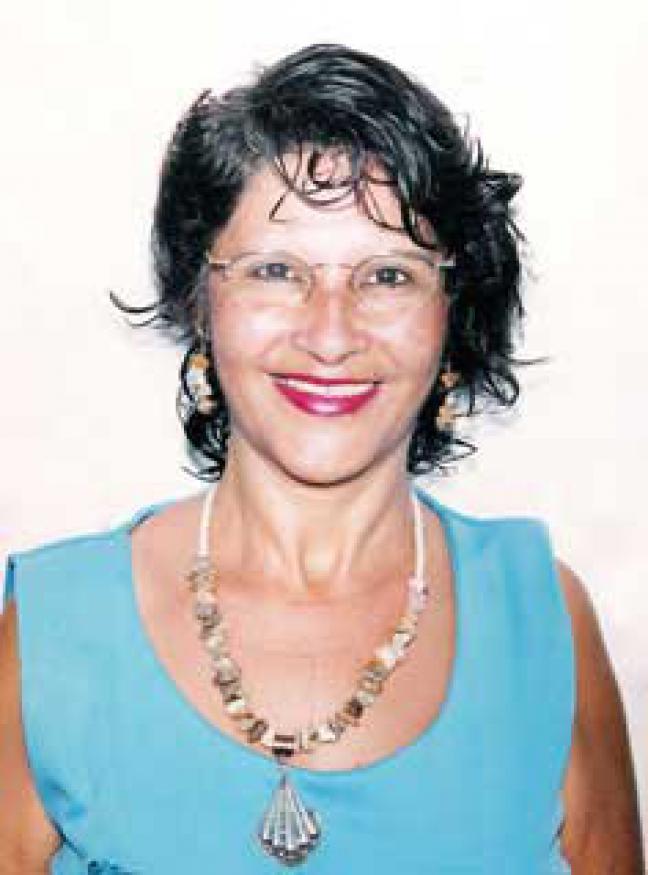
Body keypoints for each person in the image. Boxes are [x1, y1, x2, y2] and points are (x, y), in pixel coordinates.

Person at [0, 42, 643, 873]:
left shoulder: (544, 621)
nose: (331, 334)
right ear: (200, 300)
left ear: (452, 311)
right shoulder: (53, 631)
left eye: (388, 276)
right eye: (276, 269)